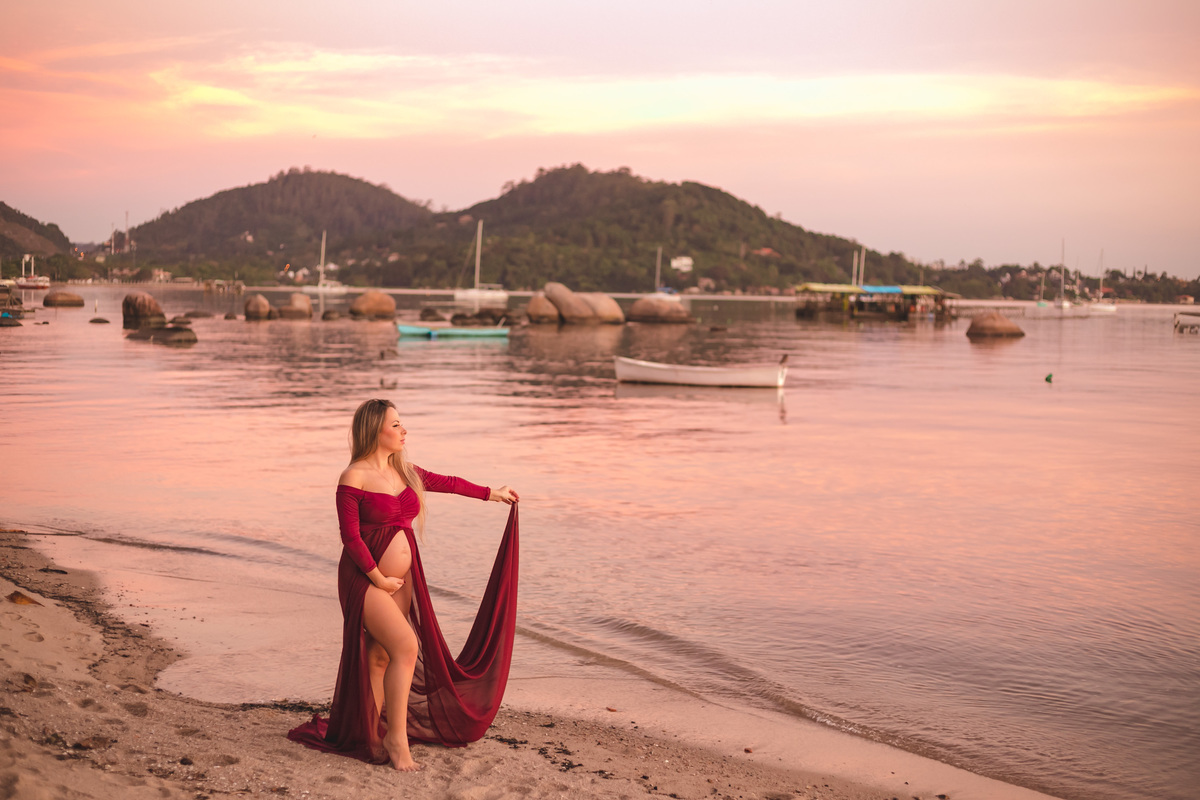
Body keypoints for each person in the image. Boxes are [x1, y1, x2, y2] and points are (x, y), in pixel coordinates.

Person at [288, 398, 519, 771]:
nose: (403, 430)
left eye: (401, 423)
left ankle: (369, 732)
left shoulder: (406, 471)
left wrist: (492, 493)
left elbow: (450, 483)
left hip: (402, 579)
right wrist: (378, 577)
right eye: (395, 425)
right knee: (407, 646)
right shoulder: (353, 476)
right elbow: (350, 537)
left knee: (381, 655)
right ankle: (397, 740)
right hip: (365, 578)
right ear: (374, 430)